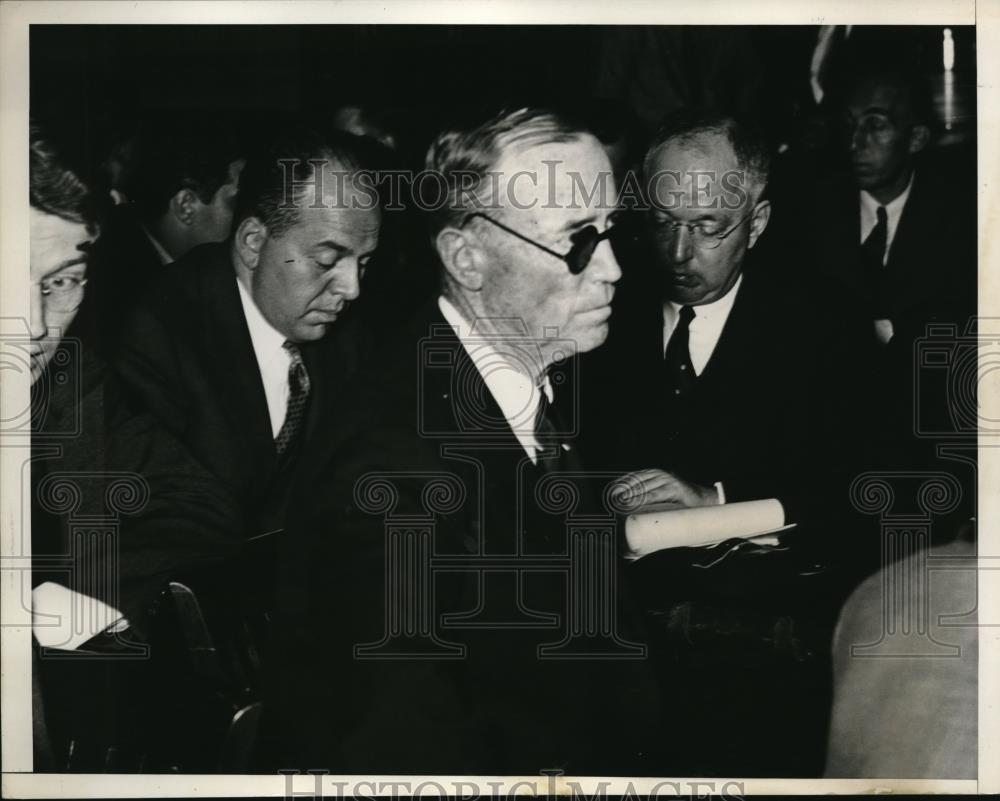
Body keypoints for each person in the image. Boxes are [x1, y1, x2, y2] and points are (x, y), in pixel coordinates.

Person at [269, 108, 664, 775]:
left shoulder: (521, 376)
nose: (614, 269)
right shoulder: (393, 471)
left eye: (609, 231)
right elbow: (402, 747)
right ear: (465, 257)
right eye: (577, 240)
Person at [575, 108, 877, 776]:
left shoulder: (827, 325)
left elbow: (866, 488)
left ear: (758, 223)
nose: (679, 254)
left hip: (761, 659)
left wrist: (714, 502)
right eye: (662, 222)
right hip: (615, 649)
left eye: (709, 227)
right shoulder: (599, 309)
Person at [27, 126, 244, 771]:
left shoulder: (63, 381)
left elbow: (199, 509)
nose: (35, 326)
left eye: (62, 281)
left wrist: (47, 599)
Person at [114, 124, 381, 542]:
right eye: (328, 261)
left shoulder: (351, 336)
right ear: (253, 242)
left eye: (364, 263)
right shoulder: (152, 335)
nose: (352, 288)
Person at [88, 117, 245, 352]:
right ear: (186, 207)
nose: (246, 220)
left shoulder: (134, 251)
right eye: (235, 204)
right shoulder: (129, 301)